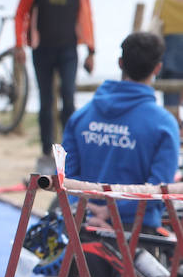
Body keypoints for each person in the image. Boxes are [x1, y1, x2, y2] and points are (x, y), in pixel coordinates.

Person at [63, 31, 179, 232]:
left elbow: (65, 177)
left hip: (80, 228)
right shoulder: (164, 125)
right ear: (158, 68)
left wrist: (88, 211)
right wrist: (111, 212)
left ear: (120, 63)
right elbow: (158, 190)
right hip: (136, 235)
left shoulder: (80, 117)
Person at [15, 0, 96, 172]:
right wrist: (20, 44)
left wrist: (91, 50)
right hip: (42, 49)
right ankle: (46, 150)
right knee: (45, 101)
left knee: (68, 98)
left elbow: (87, 16)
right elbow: (21, 12)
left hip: (69, 49)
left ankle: (70, 148)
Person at [149, 0, 183, 120]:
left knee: (170, 106)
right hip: (173, 53)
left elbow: (154, 19)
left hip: (169, 55)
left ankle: (173, 133)